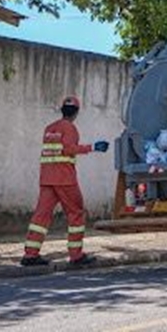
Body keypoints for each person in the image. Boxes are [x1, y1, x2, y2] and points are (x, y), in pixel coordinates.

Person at [21, 96, 109, 267]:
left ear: (62, 110)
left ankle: (30, 254)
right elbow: (68, 149)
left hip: (47, 178)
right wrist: (92, 147)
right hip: (65, 179)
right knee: (76, 214)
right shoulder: (70, 129)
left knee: (41, 216)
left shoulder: (49, 128)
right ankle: (76, 256)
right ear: (76, 112)